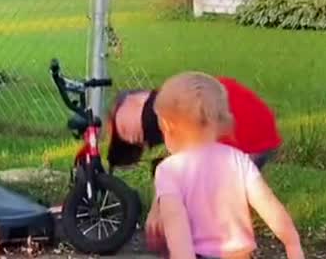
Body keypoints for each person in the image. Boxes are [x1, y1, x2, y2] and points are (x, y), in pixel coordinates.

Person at [105, 76, 284, 250]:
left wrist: (160, 210)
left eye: (124, 128)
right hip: (247, 133)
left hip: (243, 134)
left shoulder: (169, 107)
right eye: (129, 139)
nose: (129, 137)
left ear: (133, 100)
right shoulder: (169, 110)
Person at [151, 71, 304, 259]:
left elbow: (176, 227)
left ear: (167, 126)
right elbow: (269, 206)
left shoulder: (169, 170)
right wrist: (292, 243)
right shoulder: (238, 159)